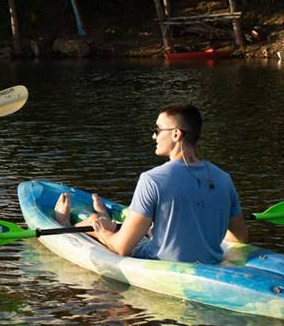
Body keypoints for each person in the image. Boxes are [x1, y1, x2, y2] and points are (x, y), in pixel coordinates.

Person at [54, 103, 248, 263]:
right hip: (210, 262)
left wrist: (103, 234)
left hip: (159, 263)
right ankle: (106, 216)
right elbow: (240, 238)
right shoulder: (223, 178)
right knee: (140, 228)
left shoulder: (153, 179)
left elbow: (122, 248)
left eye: (157, 130)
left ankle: (64, 223)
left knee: (94, 223)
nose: (153, 136)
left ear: (176, 134)